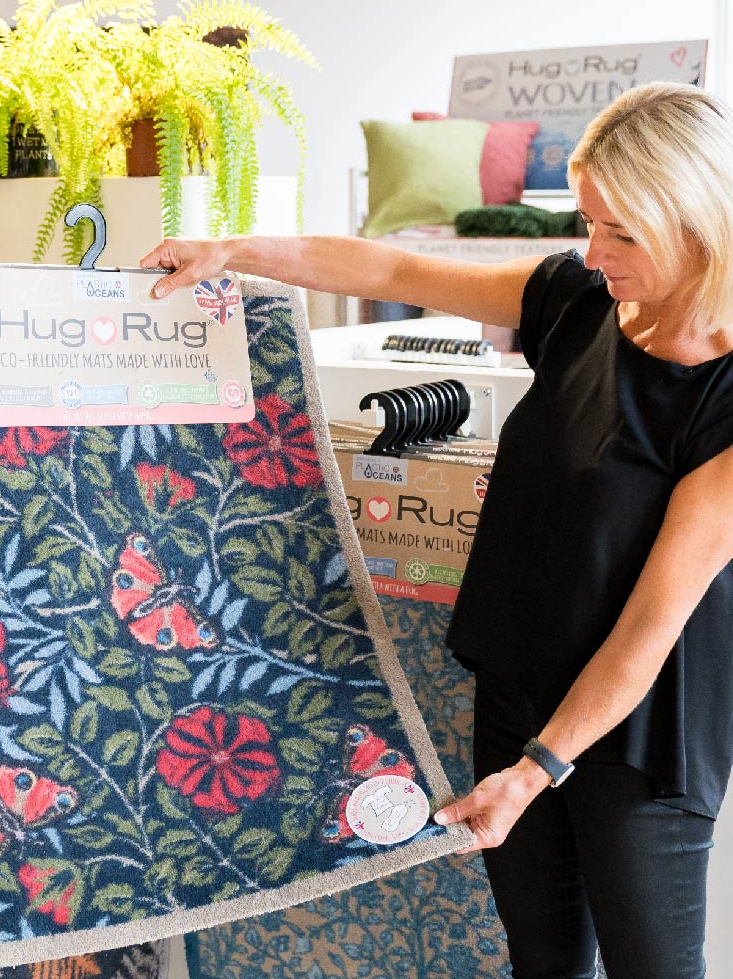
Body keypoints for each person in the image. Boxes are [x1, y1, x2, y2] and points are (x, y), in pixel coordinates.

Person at [141, 82, 733, 979]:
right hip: (520, 691)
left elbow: (652, 627)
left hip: (642, 729)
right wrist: (232, 250)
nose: (592, 251)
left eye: (622, 233)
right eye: (588, 222)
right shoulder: (576, 300)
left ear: (694, 223)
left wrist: (537, 769)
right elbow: (387, 271)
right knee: (543, 961)